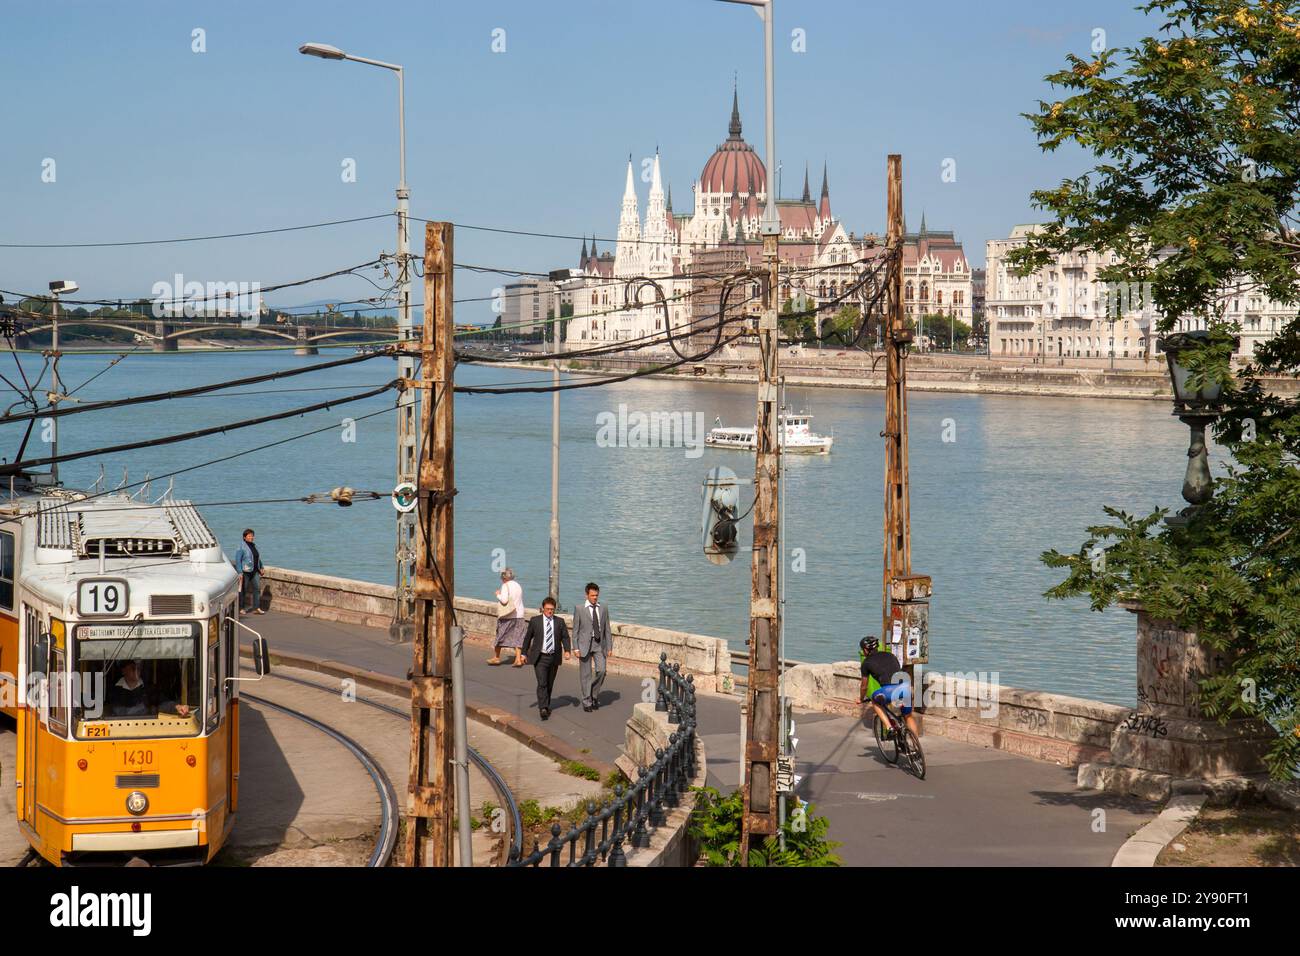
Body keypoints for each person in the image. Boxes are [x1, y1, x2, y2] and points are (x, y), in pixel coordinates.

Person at [518, 596, 570, 720]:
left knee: (549, 683)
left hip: (554, 657)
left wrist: (567, 650)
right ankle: (543, 708)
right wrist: (524, 653)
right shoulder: (535, 621)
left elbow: (565, 637)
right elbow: (527, 638)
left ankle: (546, 704)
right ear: (542, 608)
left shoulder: (559, 622)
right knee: (542, 683)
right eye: (547, 609)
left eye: (552, 609)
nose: (550, 611)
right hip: (540, 657)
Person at [859, 635, 918, 739]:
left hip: (889, 690)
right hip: (905, 688)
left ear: (865, 650)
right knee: (908, 716)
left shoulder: (866, 663)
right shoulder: (890, 655)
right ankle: (916, 746)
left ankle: (889, 727)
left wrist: (861, 698)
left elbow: (864, 686)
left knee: (875, 701)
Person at [572, 582, 613, 712]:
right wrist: (576, 648)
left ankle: (593, 694)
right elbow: (575, 630)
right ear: (587, 595)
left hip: (599, 645)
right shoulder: (579, 609)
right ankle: (586, 701)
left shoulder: (603, 608)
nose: (595, 598)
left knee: (601, 671)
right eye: (592, 595)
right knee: (586, 675)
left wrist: (610, 646)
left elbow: (607, 629)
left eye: (596, 595)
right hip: (584, 645)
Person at [488, 568, 527, 666]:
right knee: (518, 637)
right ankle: (518, 659)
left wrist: (498, 595)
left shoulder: (505, 586)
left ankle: (496, 657)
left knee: (500, 635)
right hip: (519, 615)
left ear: (504, 577)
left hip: (508, 615)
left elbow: (504, 601)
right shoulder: (518, 585)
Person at [233, 529, 265, 615]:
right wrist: (240, 572)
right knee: (243, 590)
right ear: (244, 537)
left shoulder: (254, 546)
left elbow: (257, 558)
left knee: (257, 589)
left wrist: (261, 567)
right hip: (245, 571)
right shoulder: (241, 547)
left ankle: (256, 607)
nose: (251, 537)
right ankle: (241, 608)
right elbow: (238, 560)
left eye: (252, 535)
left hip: (255, 571)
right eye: (249, 535)